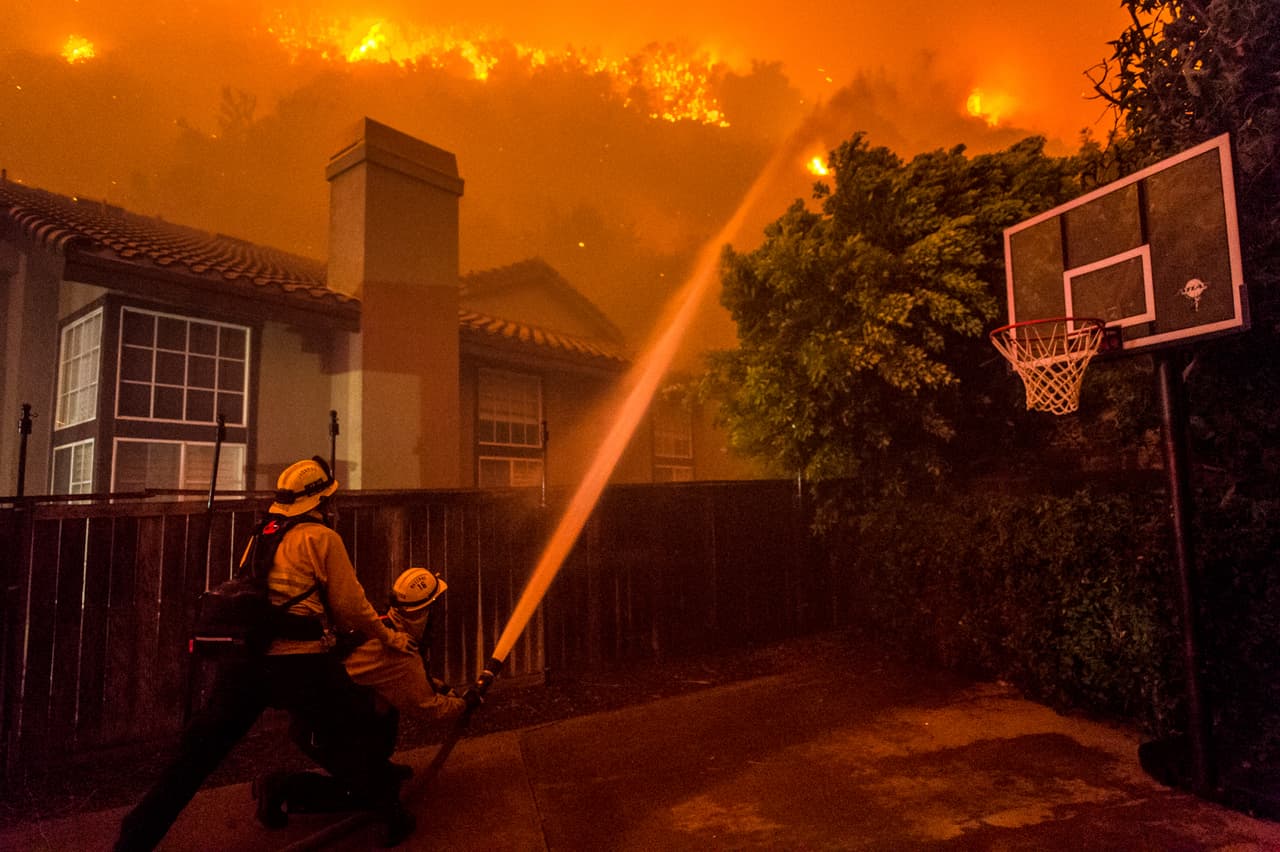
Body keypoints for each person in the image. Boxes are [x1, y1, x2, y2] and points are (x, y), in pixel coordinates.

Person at [114, 456, 419, 851]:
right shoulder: (322, 537)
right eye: (329, 500)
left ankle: (135, 837)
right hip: (299, 662)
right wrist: (388, 637)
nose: (332, 508)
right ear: (320, 503)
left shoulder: (263, 533)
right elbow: (350, 607)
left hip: (246, 663)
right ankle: (390, 812)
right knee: (353, 723)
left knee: (196, 756)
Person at [253, 567, 468, 821]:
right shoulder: (399, 654)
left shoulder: (381, 626)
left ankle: (377, 769)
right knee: (368, 796)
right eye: (432, 609)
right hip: (323, 732)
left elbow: (398, 678)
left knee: (384, 709)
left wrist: (441, 686)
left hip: (333, 719)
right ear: (421, 613)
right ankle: (279, 786)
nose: (436, 616)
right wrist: (464, 704)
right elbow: (427, 706)